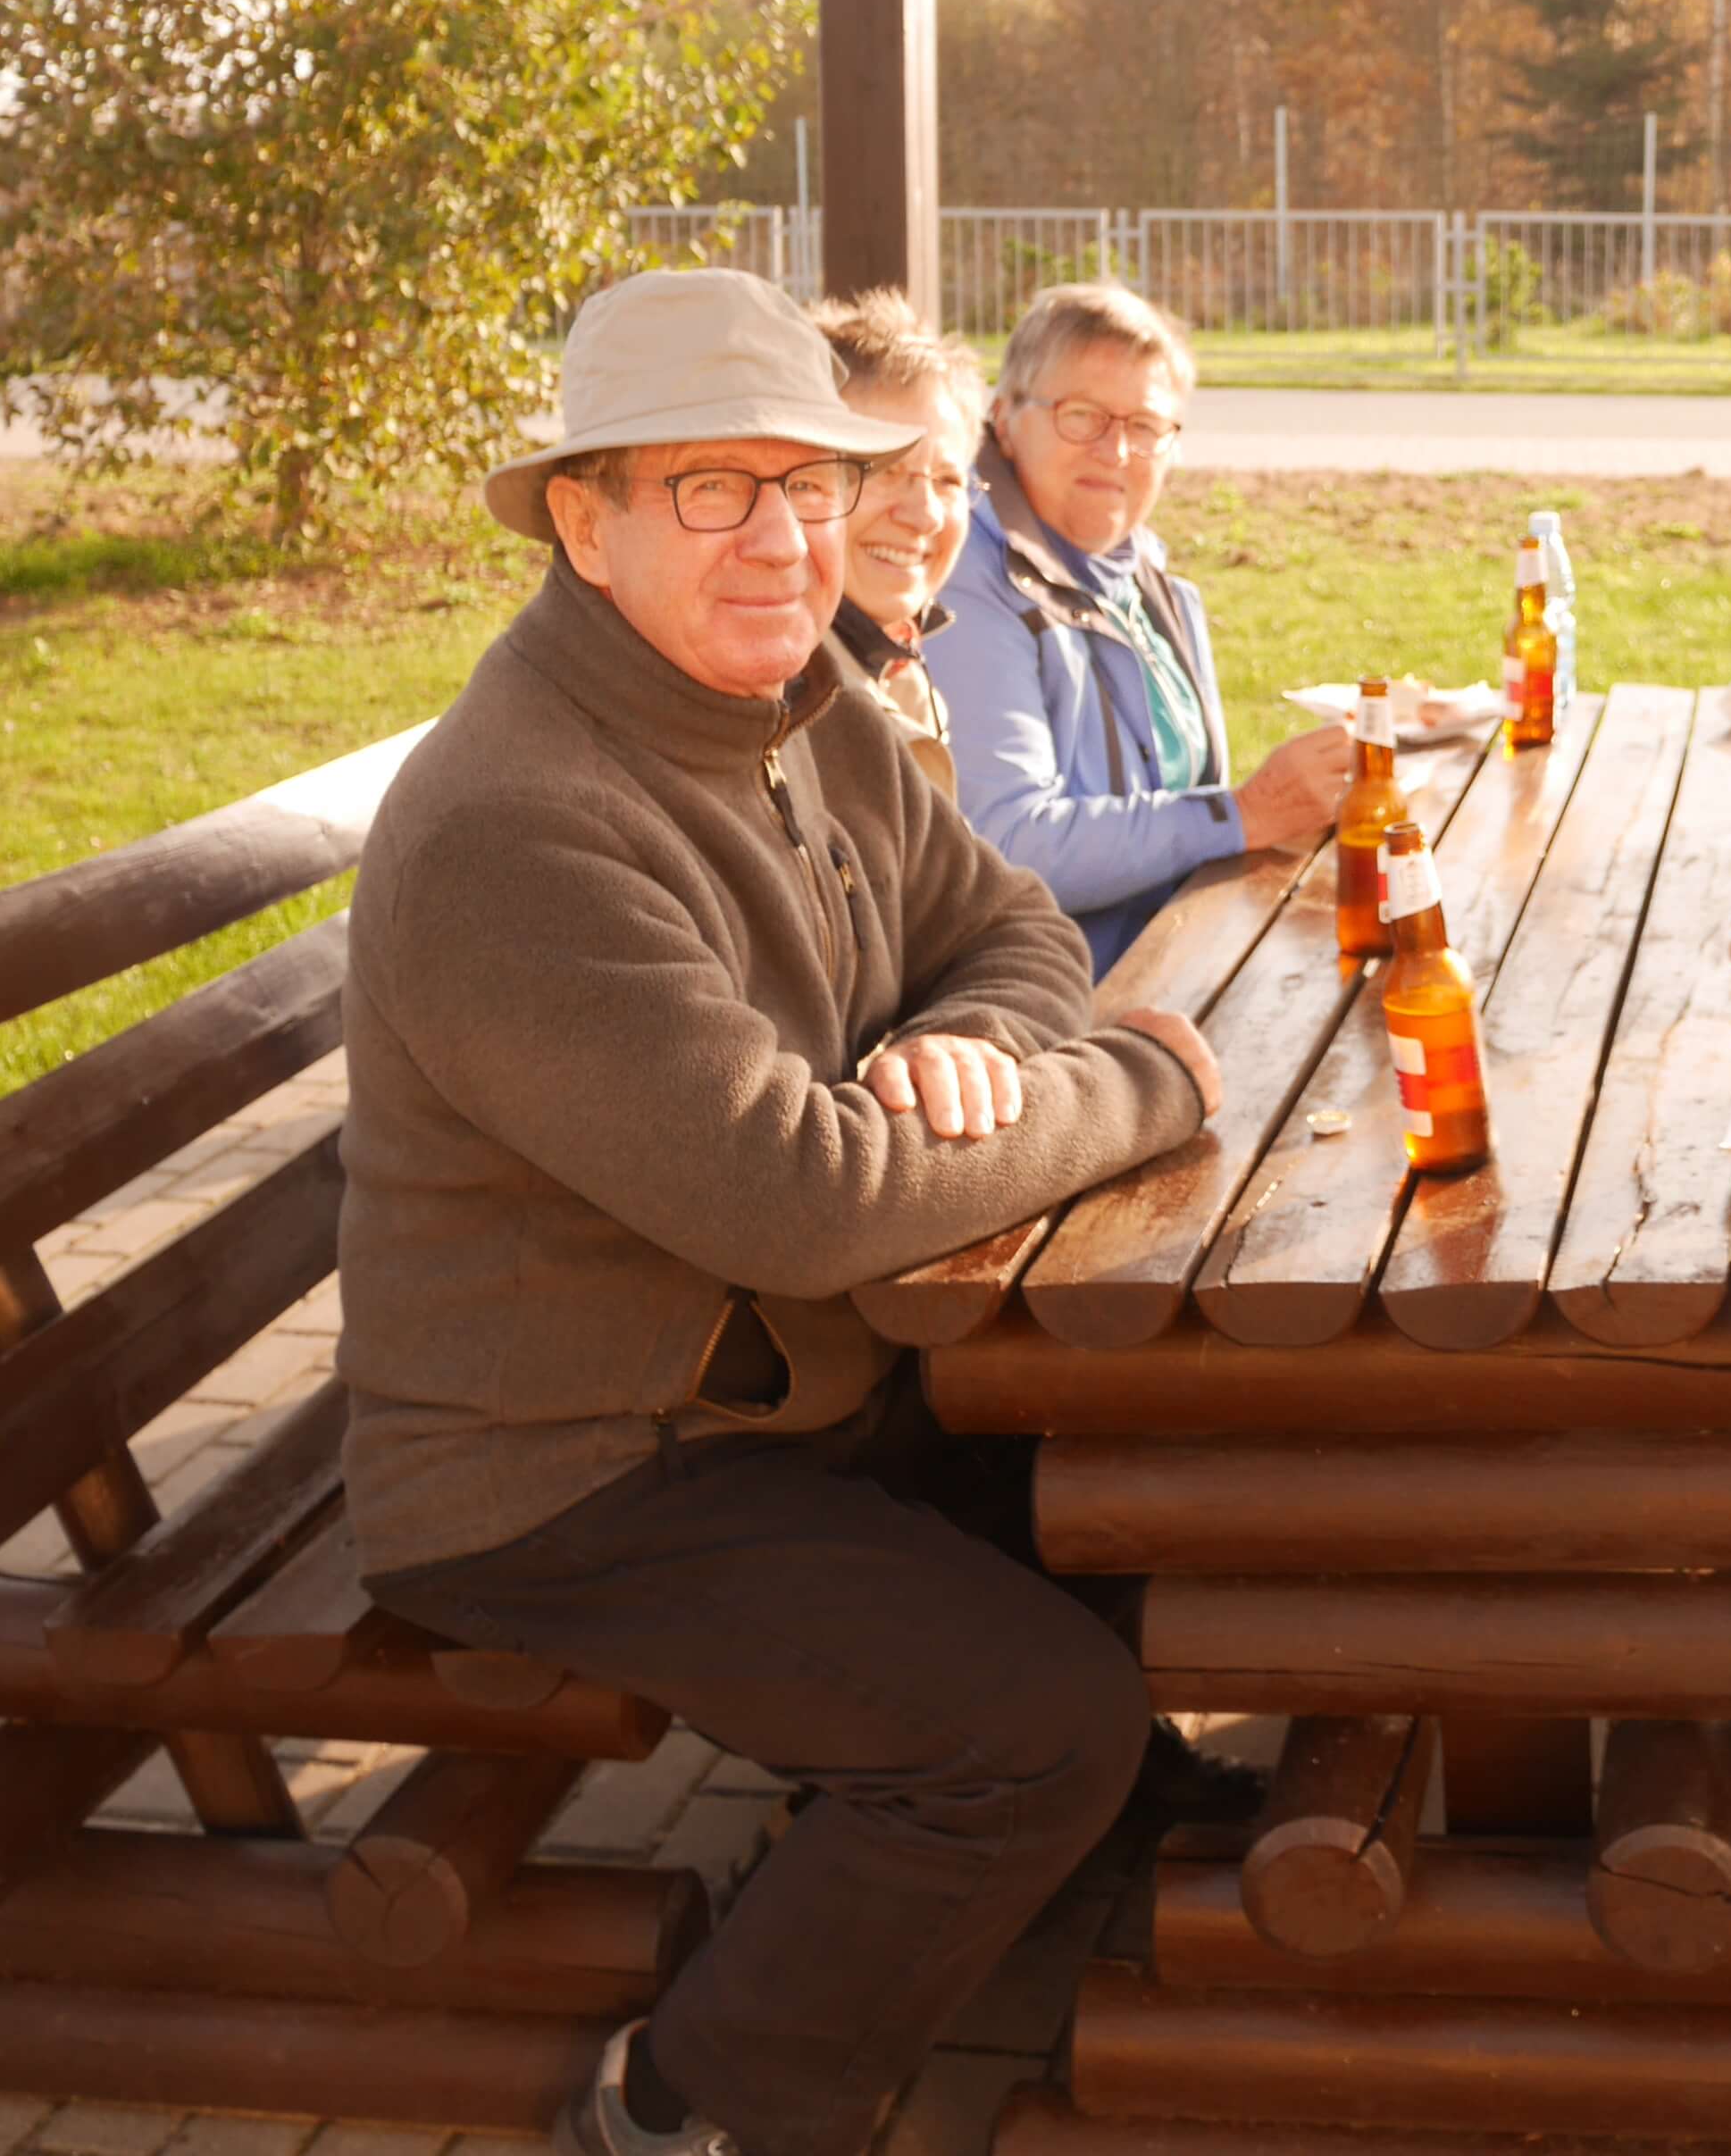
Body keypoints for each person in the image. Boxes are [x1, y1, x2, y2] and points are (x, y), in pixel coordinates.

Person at [333, 266, 1230, 2156]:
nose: (782, 536)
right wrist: (1134, 1084)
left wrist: (972, 1048)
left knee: (1165, 1475)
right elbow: (806, 1199)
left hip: (778, 1383)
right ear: (582, 521)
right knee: (1029, 1722)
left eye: (811, 484)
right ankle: (689, 2104)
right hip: (565, 1464)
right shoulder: (520, 824)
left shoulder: (796, 697)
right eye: (710, 488)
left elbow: (1012, 924)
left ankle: (1081, 1856)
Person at [924, 280, 1355, 968]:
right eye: (1082, 416)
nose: (1117, 451)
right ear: (1003, 418)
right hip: (1055, 996)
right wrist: (1244, 813)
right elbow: (1007, 843)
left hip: (1185, 956)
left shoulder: (1143, 576)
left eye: (1145, 426)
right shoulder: (968, 580)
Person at [809, 285, 984, 787]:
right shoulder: (790, 710)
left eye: (948, 480)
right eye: (884, 470)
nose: (925, 515)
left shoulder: (900, 674)